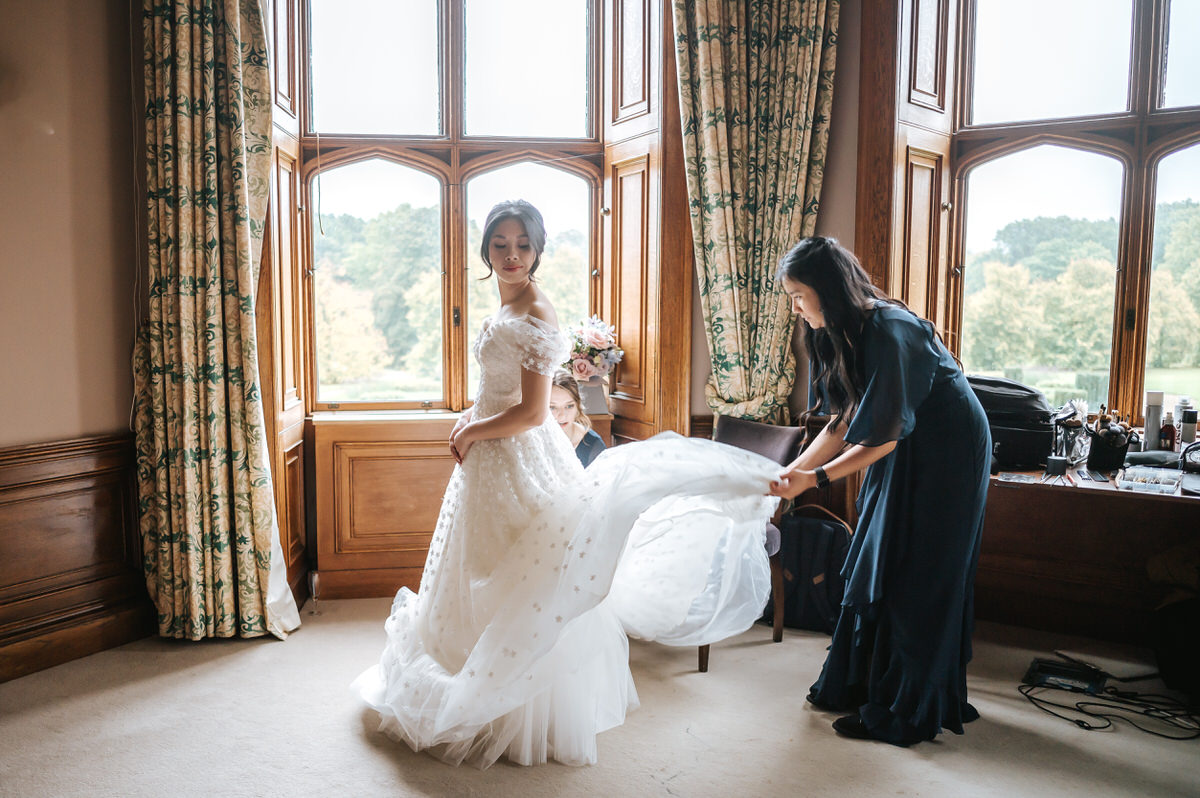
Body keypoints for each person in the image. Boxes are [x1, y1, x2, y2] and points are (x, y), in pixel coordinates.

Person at [354, 200, 782, 768]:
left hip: (516, 454)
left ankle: (517, 709)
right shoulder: (505, 303)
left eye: (522, 245)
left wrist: (473, 430)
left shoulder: (535, 310)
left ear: (537, 251)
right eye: (500, 244)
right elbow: (501, 391)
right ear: (485, 249)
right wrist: (469, 418)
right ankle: (468, 676)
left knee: (523, 577)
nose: (511, 255)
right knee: (479, 568)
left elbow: (533, 413)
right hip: (489, 457)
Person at [768, 236, 991, 747]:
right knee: (879, 554)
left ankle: (910, 707)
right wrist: (789, 476)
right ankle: (860, 684)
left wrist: (815, 480)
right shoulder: (833, 332)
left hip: (947, 449)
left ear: (827, 289)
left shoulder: (891, 330)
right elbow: (841, 421)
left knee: (921, 567)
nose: (795, 308)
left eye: (799, 295)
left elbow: (883, 435)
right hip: (900, 441)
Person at [550, 369, 607, 467]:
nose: (562, 415)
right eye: (552, 407)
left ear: (578, 406)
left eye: (569, 406)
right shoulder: (531, 440)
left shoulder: (594, 445)